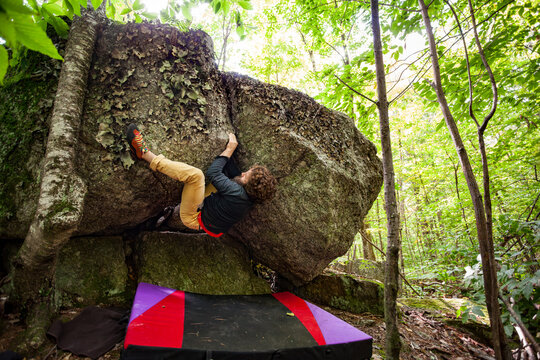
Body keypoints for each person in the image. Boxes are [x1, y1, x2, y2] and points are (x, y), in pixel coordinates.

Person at [126, 124, 277, 237]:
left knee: (196, 176)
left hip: (194, 218)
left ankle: (144, 154)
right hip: (211, 211)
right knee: (226, 175)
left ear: (247, 184)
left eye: (246, 175)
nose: (243, 173)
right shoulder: (247, 197)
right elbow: (233, 170)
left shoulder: (236, 192)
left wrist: (230, 148)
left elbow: (213, 172)